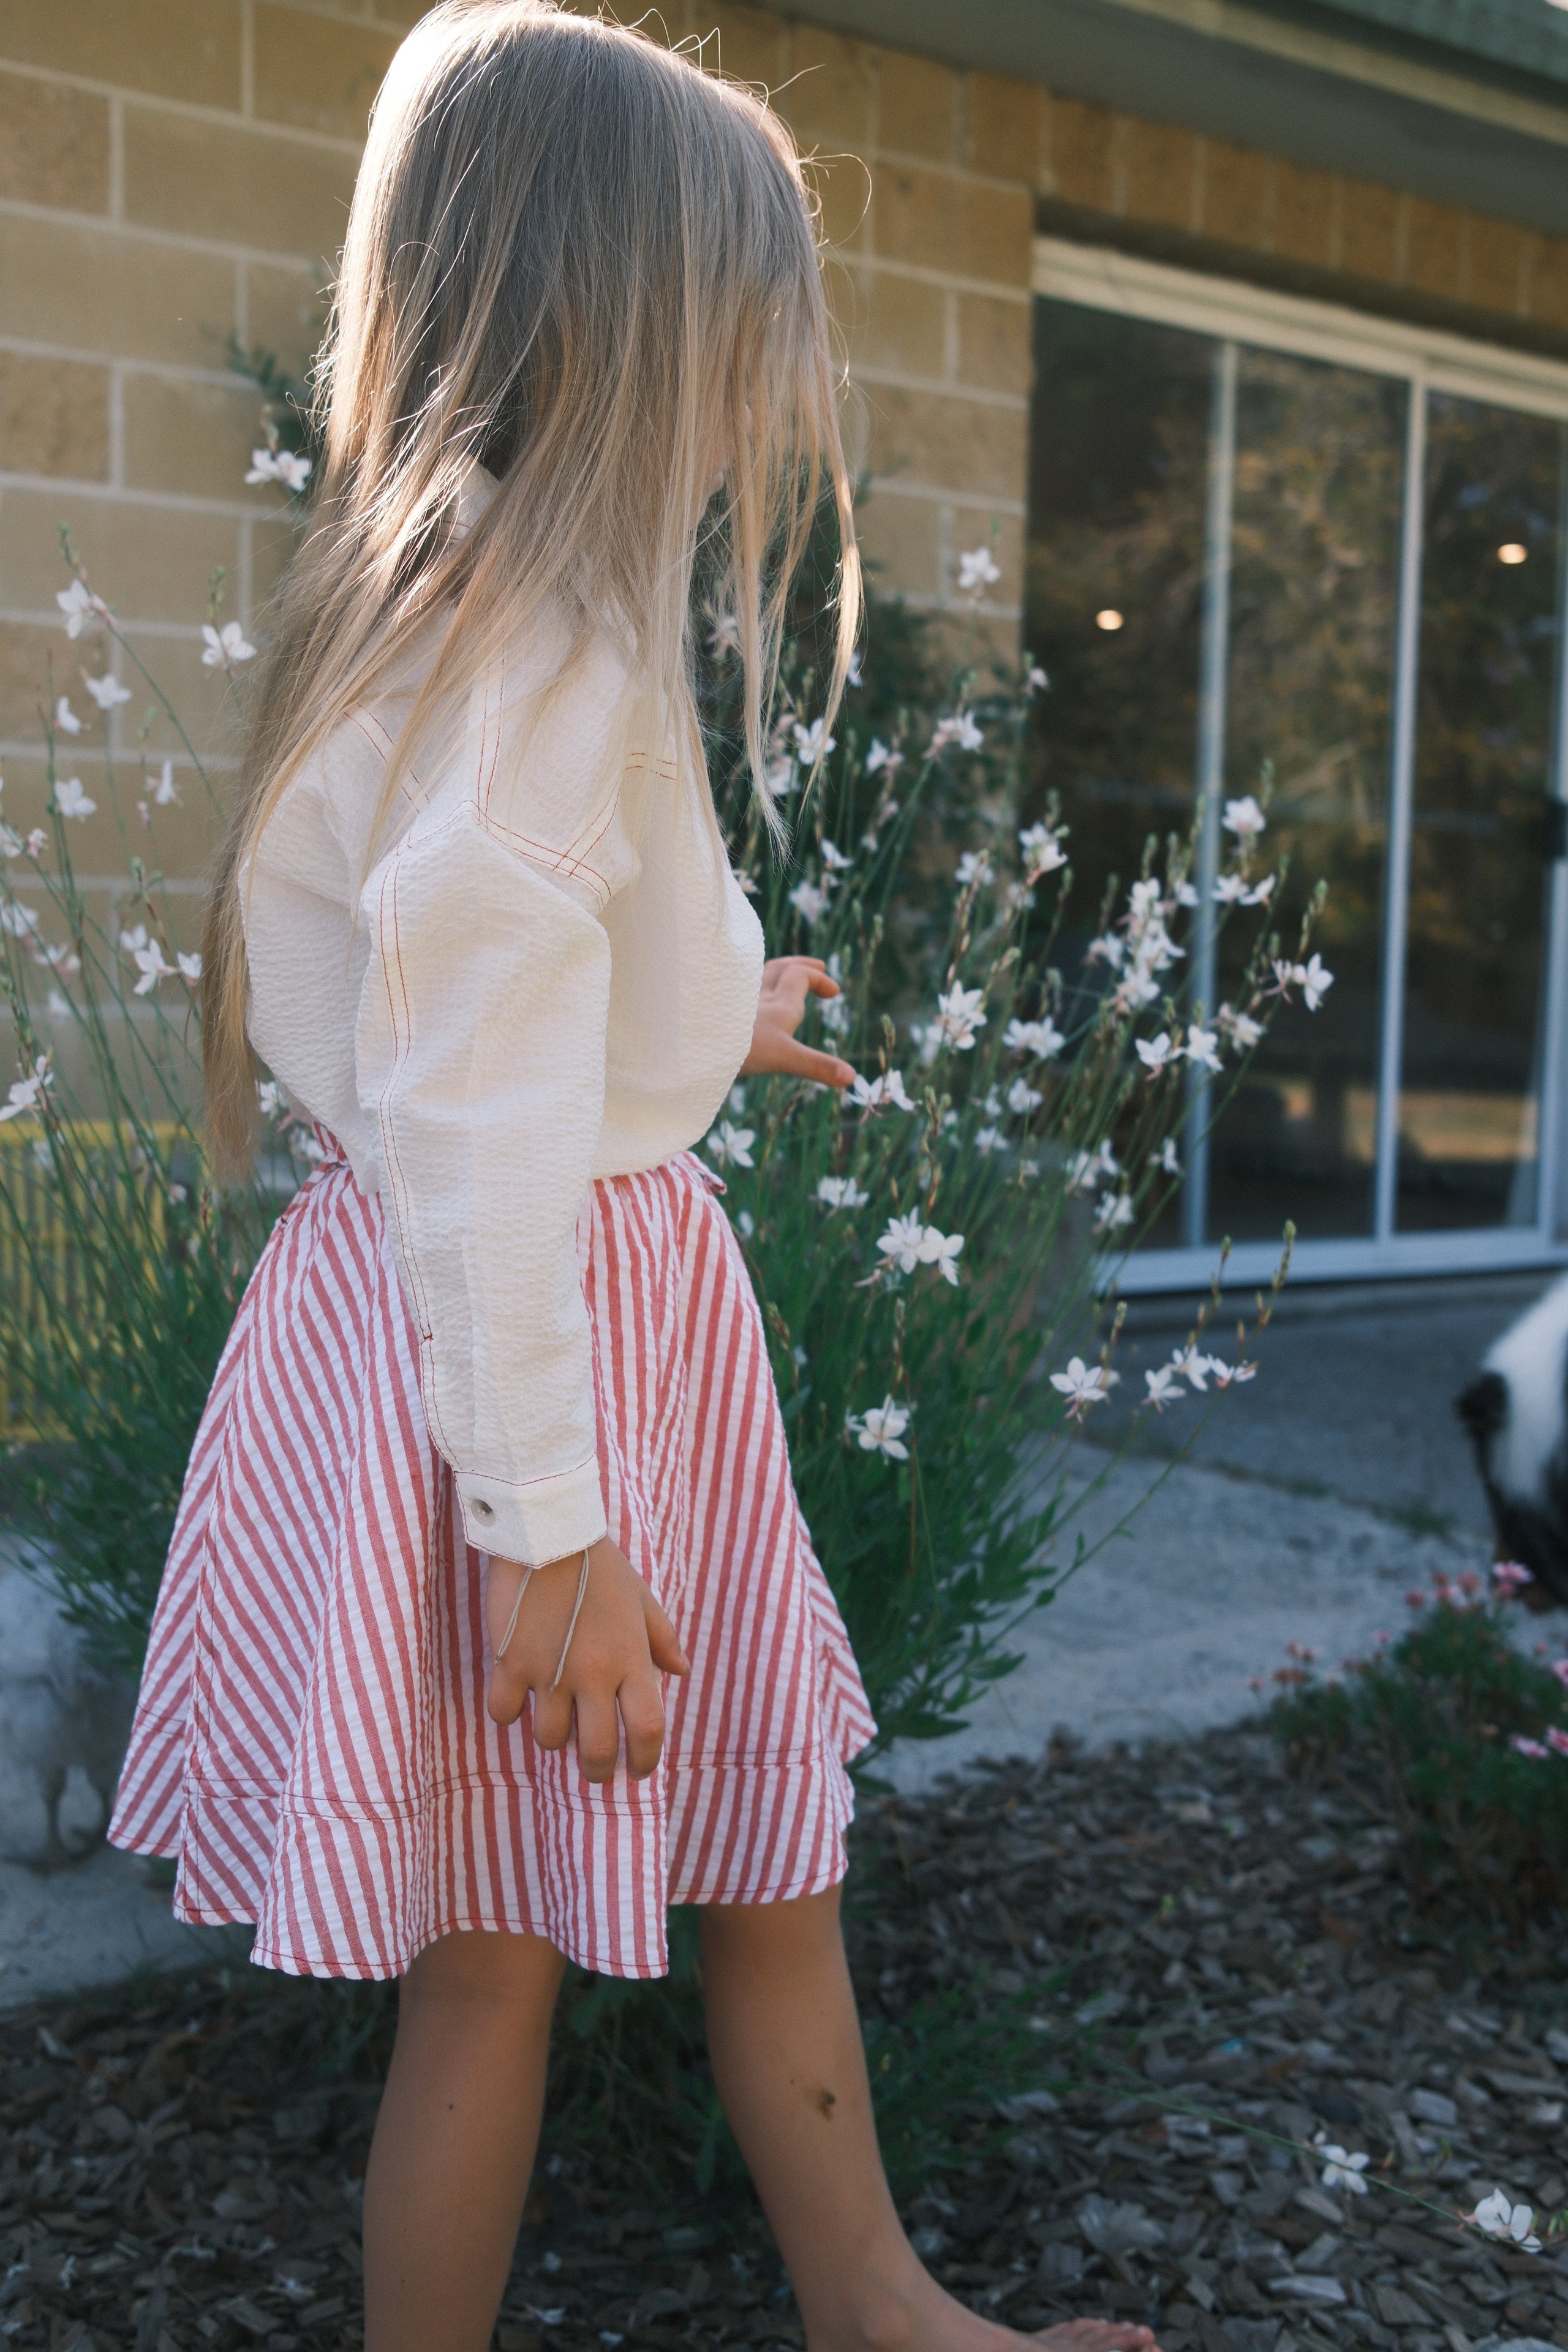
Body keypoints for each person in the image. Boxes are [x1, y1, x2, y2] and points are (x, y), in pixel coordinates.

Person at [109, 9, 1161, 2350]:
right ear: (616, 334)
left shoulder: (423, 595)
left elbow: (474, 1015)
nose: (758, 409)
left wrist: (693, 1022)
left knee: (705, 1883)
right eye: (738, 349)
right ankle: (855, 2310)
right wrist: (550, 1532)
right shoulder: (559, 650)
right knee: (533, 1953)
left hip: (448, 1324)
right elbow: (483, 1104)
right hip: (536, 1375)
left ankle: (876, 2302)